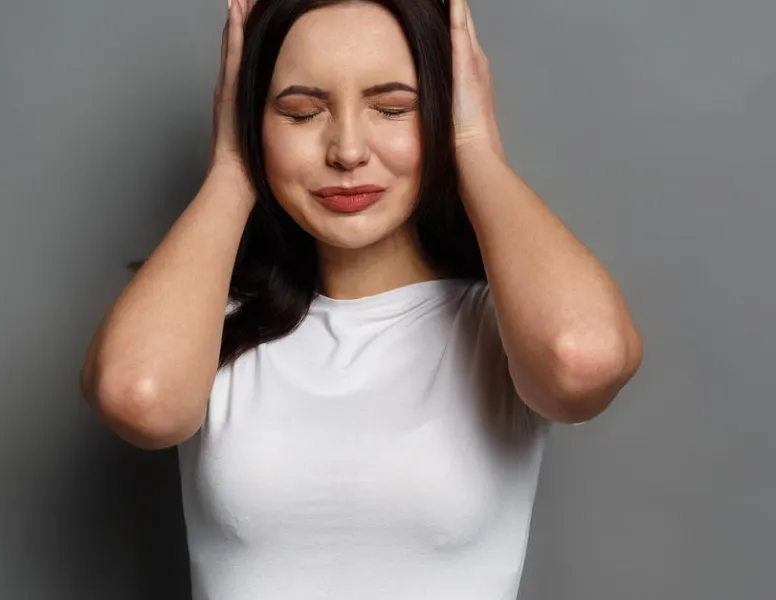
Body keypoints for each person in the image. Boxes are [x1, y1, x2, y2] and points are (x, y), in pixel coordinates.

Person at [81, 0, 643, 597]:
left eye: (392, 108)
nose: (347, 151)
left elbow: (583, 358)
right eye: (301, 113)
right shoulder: (210, 324)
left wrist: (476, 145)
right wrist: (231, 167)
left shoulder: (501, 324)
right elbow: (138, 398)